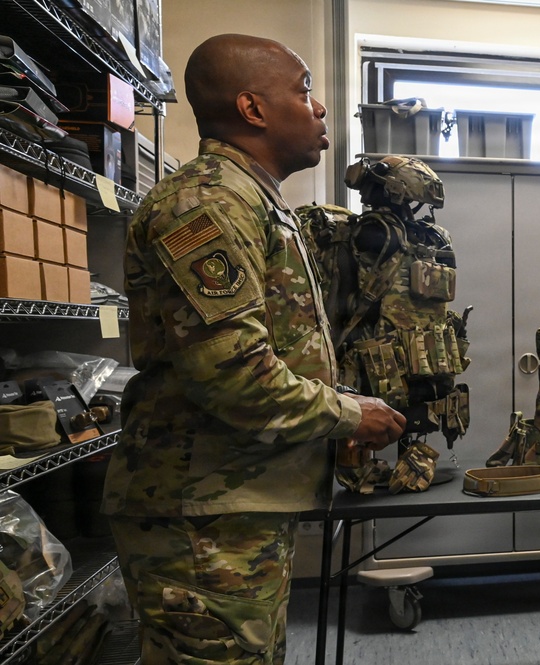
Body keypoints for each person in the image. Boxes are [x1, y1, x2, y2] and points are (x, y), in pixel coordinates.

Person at [100, 34, 406, 664]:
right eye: (304, 90)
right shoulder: (206, 204)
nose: (319, 109)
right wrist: (351, 414)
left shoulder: (255, 202)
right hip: (201, 516)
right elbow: (235, 377)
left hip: (234, 503)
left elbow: (270, 356)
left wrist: (331, 418)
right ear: (253, 109)